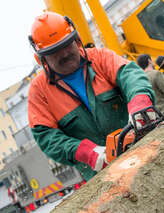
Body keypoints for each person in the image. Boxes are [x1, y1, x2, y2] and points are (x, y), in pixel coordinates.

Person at [27, 12, 156, 181]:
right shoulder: (39, 92)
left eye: (67, 45)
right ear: (41, 58)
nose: (64, 53)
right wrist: (86, 152)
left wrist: (140, 105)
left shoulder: (100, 58)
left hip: (141, 146)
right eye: (55, 52)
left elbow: (130, 75)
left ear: (76, 39)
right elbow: (47, 137)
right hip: (100, 175)